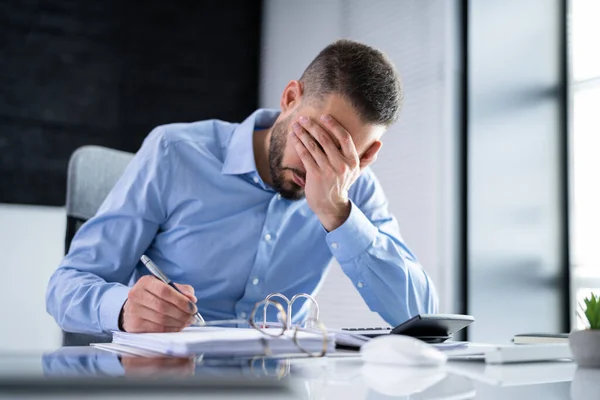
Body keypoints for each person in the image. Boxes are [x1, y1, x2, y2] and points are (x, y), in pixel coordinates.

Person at [46, 39, 438, 335]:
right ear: (290, 99)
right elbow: (65, 286)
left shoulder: (355, 192)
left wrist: (338, 214)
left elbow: (419, 315)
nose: (322, 166)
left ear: (367, 155)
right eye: (317, 139)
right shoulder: (174, 153)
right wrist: (122, 308)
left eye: (344, 151)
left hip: (279, 384)